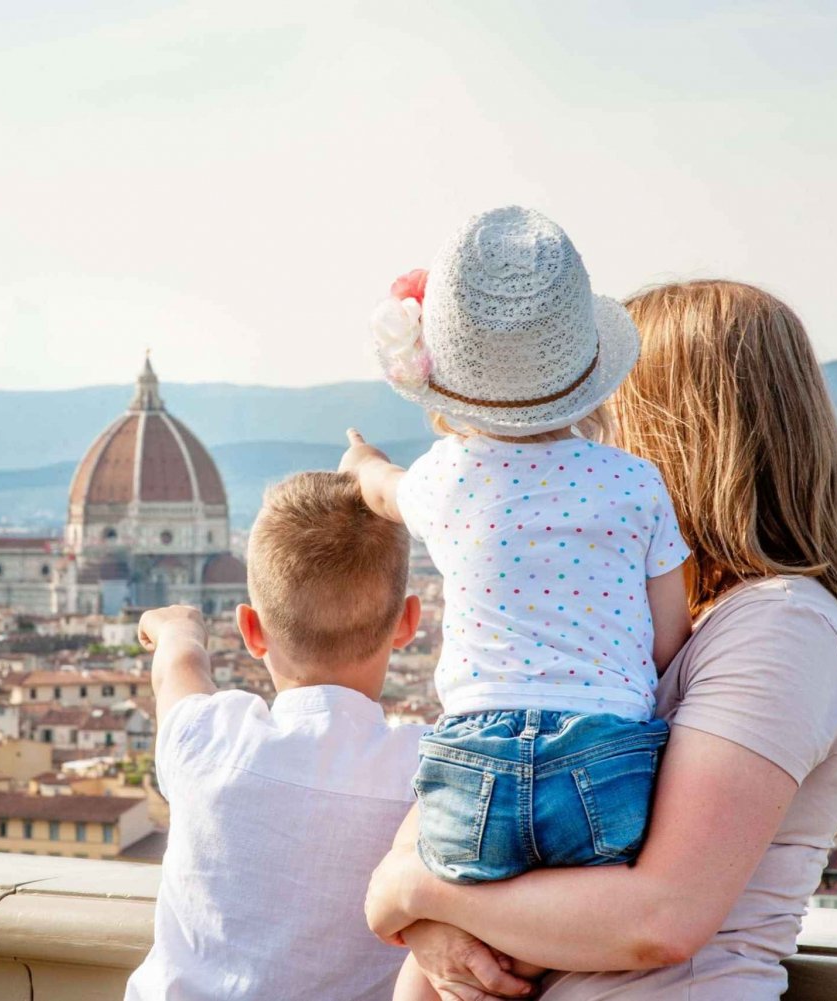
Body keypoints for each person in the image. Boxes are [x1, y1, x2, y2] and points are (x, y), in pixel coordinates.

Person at [364, 279, 837, 1001]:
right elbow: (452, 825)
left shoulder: (784, 626)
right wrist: (424, 912)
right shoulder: (621, 637)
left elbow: (659, 916)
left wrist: (413, 893)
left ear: (676, 431)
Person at [341, 205, 692, 999]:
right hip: (606, 764)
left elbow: (379, 488)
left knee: (436, 962)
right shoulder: (637, 483)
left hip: (473, 770)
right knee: (547, 942)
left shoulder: (443, 477)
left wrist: (359, 459)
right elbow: (669, 638)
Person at [124, 471, 429, 1001]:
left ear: (251, 630)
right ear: (407, 623)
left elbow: (179, 670)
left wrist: (177, 628)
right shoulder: (431, 771)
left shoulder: (209, 739)